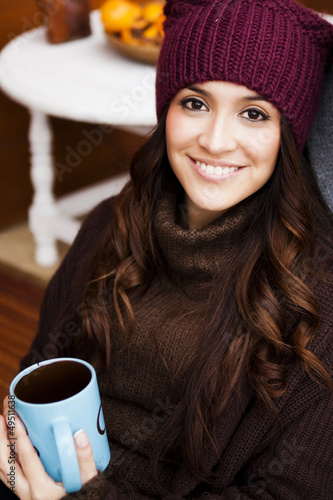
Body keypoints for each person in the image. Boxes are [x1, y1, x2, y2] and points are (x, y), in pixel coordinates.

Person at [1, 0, 333, 498]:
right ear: (165, 107)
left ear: (289, 135)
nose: (217, 141)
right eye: (195, 103)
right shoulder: (107, 224)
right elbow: (39, 370)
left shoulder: (319, 297)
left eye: (254, 113)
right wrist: (13, 451)